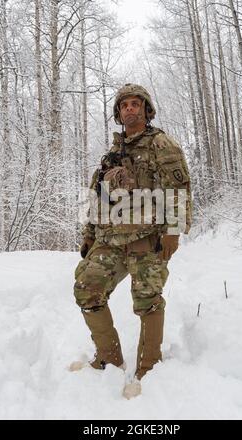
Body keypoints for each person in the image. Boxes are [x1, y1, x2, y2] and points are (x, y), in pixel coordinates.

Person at [72, 83, 192, 399]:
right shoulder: (111, 155)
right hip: (110, 239)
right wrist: (88, 234)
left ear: (146, 109)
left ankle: (149, 369)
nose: (129, 109)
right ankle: (108, 360)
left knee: (148, 299)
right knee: (87, 289)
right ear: (118, 113)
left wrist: (172, 231)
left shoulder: (161, 144)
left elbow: (178, 189)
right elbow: (96, 196)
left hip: (146, 238)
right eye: (124, 105)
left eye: (135, 104)